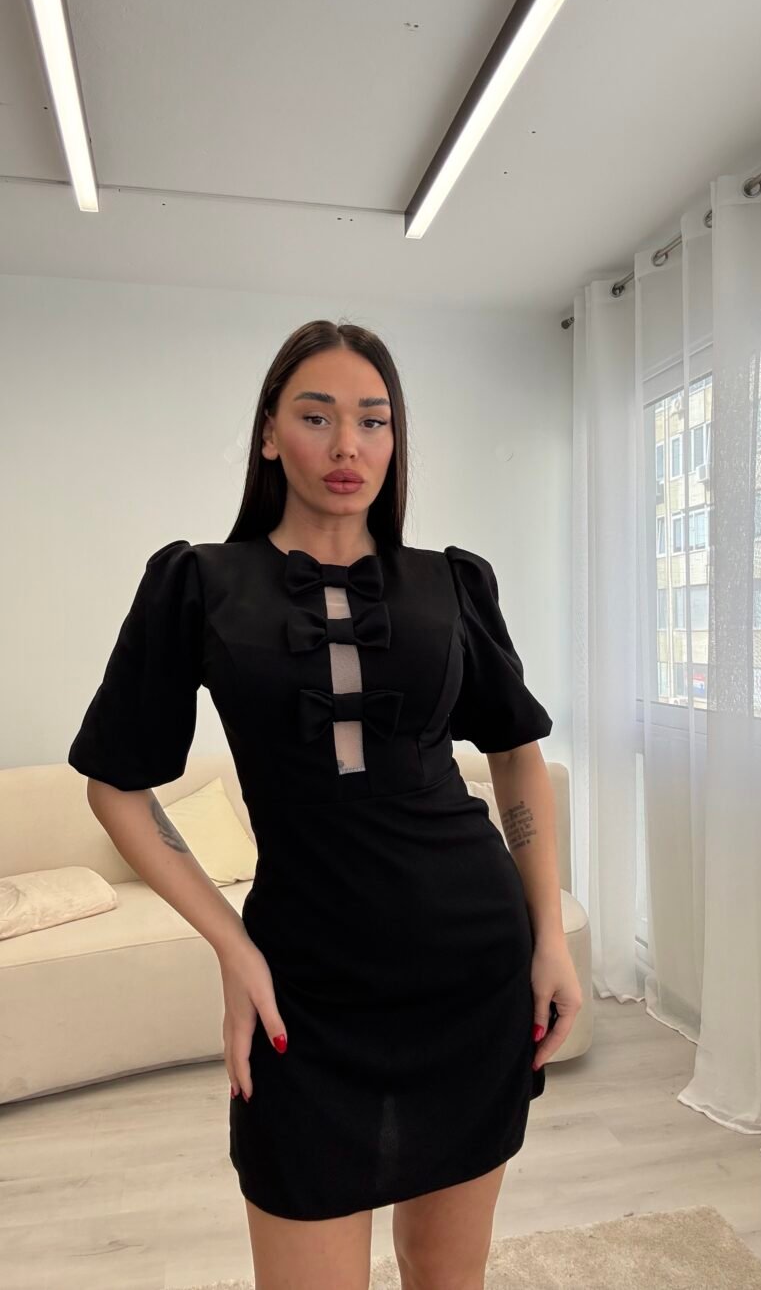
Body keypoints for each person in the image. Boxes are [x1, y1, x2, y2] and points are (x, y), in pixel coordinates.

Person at [68, 318, 582, 1290]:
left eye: (373, 421)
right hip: (303, 988)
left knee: (446, 1273)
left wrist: (548, 935)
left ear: (395, 440)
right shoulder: (199, 584)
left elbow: (515, 753)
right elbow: (116, 786)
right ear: (269, 434)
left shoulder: (451, 584)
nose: (349, 444)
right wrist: (233, 943)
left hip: (470, 971)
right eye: (317, 416)